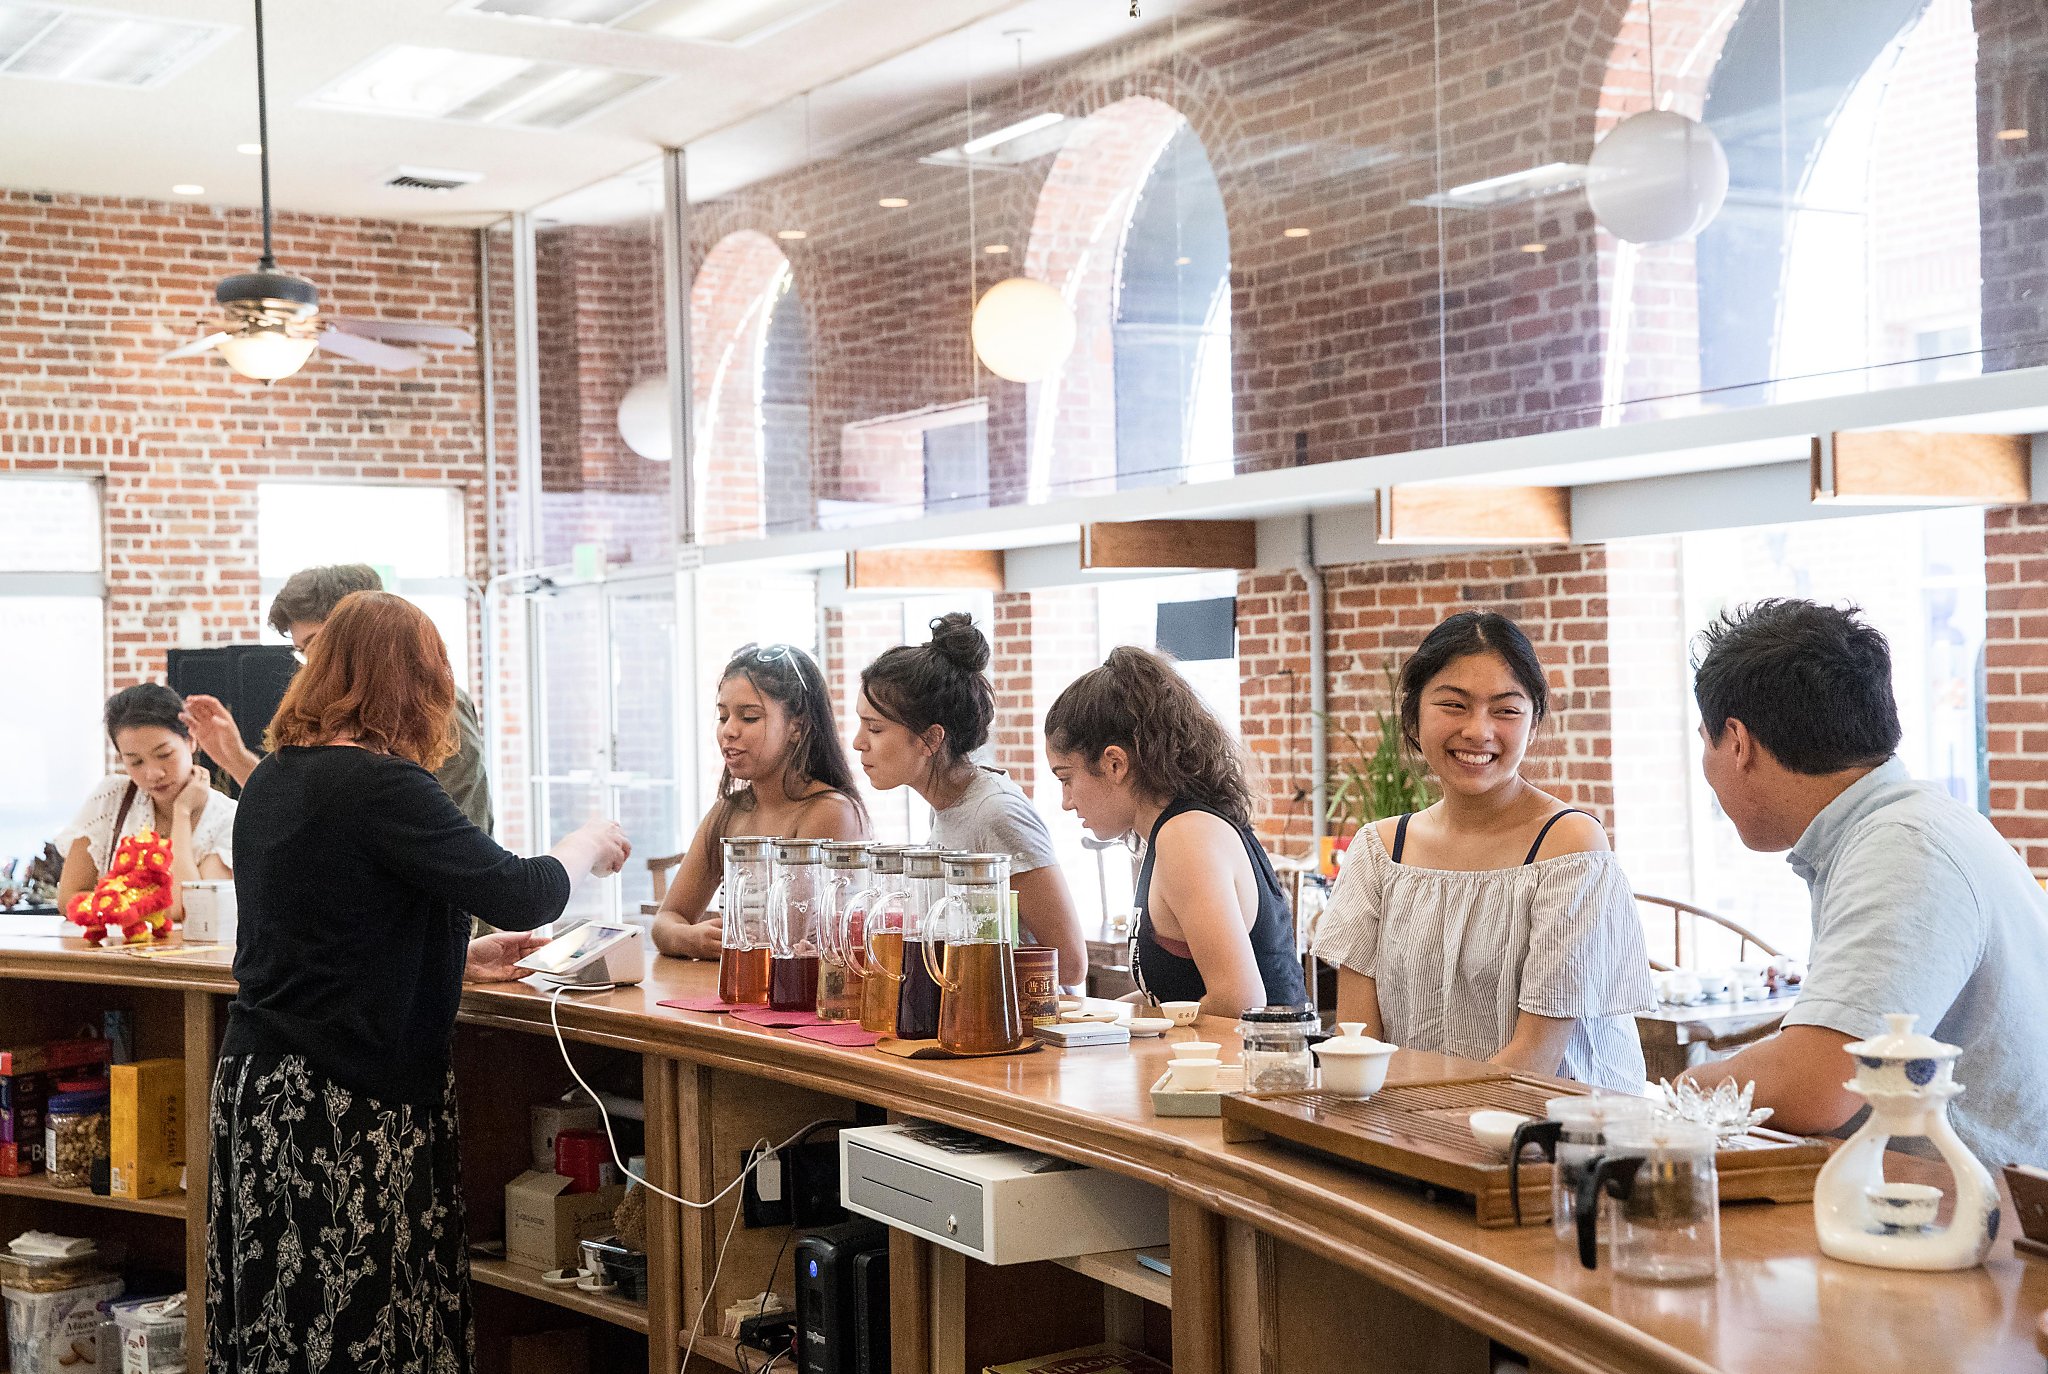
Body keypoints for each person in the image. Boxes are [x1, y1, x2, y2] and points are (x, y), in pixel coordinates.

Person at [207, 591, 629, 1374]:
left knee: (282, 1321)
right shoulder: (379, 784)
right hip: (345, 1102)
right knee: (362, 1321)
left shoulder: (273, 781)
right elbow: (524, 891)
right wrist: (584, 841)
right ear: (415, 685)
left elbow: (321, 933)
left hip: (262, 1086)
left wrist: (458, 960)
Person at [1678, 599, 2048, 1168]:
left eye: (1705, 742)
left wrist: (1676, 1092)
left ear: (1737, 741)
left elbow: (1818, 1082)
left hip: (1993, 1229)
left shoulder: (1903, 846)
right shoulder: (1905, 823)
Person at [1311, 612, 1652, 1091]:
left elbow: (1536, 1057)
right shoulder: (1380, 852)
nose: (1479, 730)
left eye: (1506, 710)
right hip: (1416, 1129)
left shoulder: (1570, 846)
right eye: (1454, 705)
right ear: (1413, 716)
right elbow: (1360, 1041)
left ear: (1533, 725)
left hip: (1558, 1140)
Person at [1044, 646, 1305, 1014]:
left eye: (1066, 779)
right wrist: (1090, 1018)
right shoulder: (1173, 831)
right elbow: (1168, 998)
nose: (1066, 801)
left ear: (1115, 763)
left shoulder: (1187, 836)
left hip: (1261, 1066)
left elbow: (1238, 1001)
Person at [854, 613, 1087, 987]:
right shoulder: (944, 807)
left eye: (875, 728)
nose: (858, 742)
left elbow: (1071, 964)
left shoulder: (996, 812)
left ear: (931, 739)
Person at [181, 563, 492, 832]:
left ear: (364, 630)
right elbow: (305, 817)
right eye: (305, 652)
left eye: (320, 644)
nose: (314, 665)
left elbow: (464, 838)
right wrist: (236, 760)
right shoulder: (331, 717)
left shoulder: (435, 707)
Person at [650, 643, 866, 959]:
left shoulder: (830, 811)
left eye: (749, 717)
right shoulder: (728, 812)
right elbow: (665, 921)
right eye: (723, 716)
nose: (728, 731)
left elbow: (783, 937)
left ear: (797, 726)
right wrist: (691, 938)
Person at [56, 683, 235, 927]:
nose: (153, 773)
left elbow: (186, 907)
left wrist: (182, 813)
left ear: (191, 740)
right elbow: (69, 897)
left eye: (164, 754)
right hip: (110, 959)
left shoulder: (228, 818)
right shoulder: (111, 797)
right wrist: (140, 911)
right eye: (135, 761)